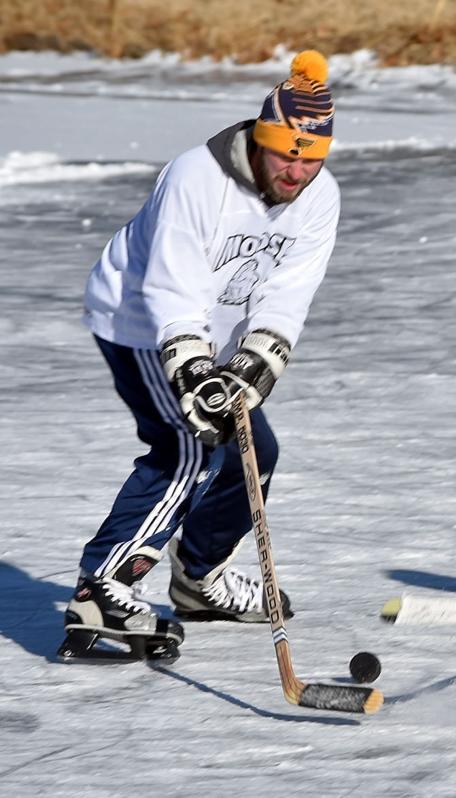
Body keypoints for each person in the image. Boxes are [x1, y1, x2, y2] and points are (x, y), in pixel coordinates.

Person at [59, 51, 341, 662]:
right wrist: (190, 367)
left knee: (254, 451)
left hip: (212, 334)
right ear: (261, 142)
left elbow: (286, 294)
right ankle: (102, 588)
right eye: (286, 155)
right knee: (192, 443)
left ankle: (198, 579)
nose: (296, 173)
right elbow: (171, 284)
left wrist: (252, 368)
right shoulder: (197, 178)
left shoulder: (320, 199)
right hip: (138, 319)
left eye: (311, 159)